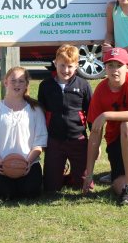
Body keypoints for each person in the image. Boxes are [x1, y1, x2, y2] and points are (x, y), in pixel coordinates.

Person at [82, 47, 128, 205]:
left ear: (127, 67)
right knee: (117, 186)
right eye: (110, 65)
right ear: (105, 68)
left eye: (119, 65)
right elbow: (95, 135)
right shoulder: (101, 90)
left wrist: (107, 114)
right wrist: (89, 174)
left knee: (127, 125)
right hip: (115, 138)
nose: (114, 70)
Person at [0, 67, 48, 200]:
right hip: (0, 166)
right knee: (4, 196)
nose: (17, 84)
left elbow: (39, 144)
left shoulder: (35, 110)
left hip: (29, 165)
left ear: (26, 84)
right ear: (5, 82)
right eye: (13, 80)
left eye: (21, 81)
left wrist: (28, 162)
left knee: (29, 194)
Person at [37, 44, 93, 193]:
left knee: (83, 186)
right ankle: (60, 171)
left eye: (70, 66)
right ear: (55, 63)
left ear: (76, 66)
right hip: (54, 139)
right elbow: (41, 113)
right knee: (51, 188)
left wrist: (95, 141)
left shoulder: (83, 85)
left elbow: (91, 113)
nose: (65, 70)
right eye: (62, 65)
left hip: (78, 139)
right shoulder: (45, 86)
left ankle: (74, 175)